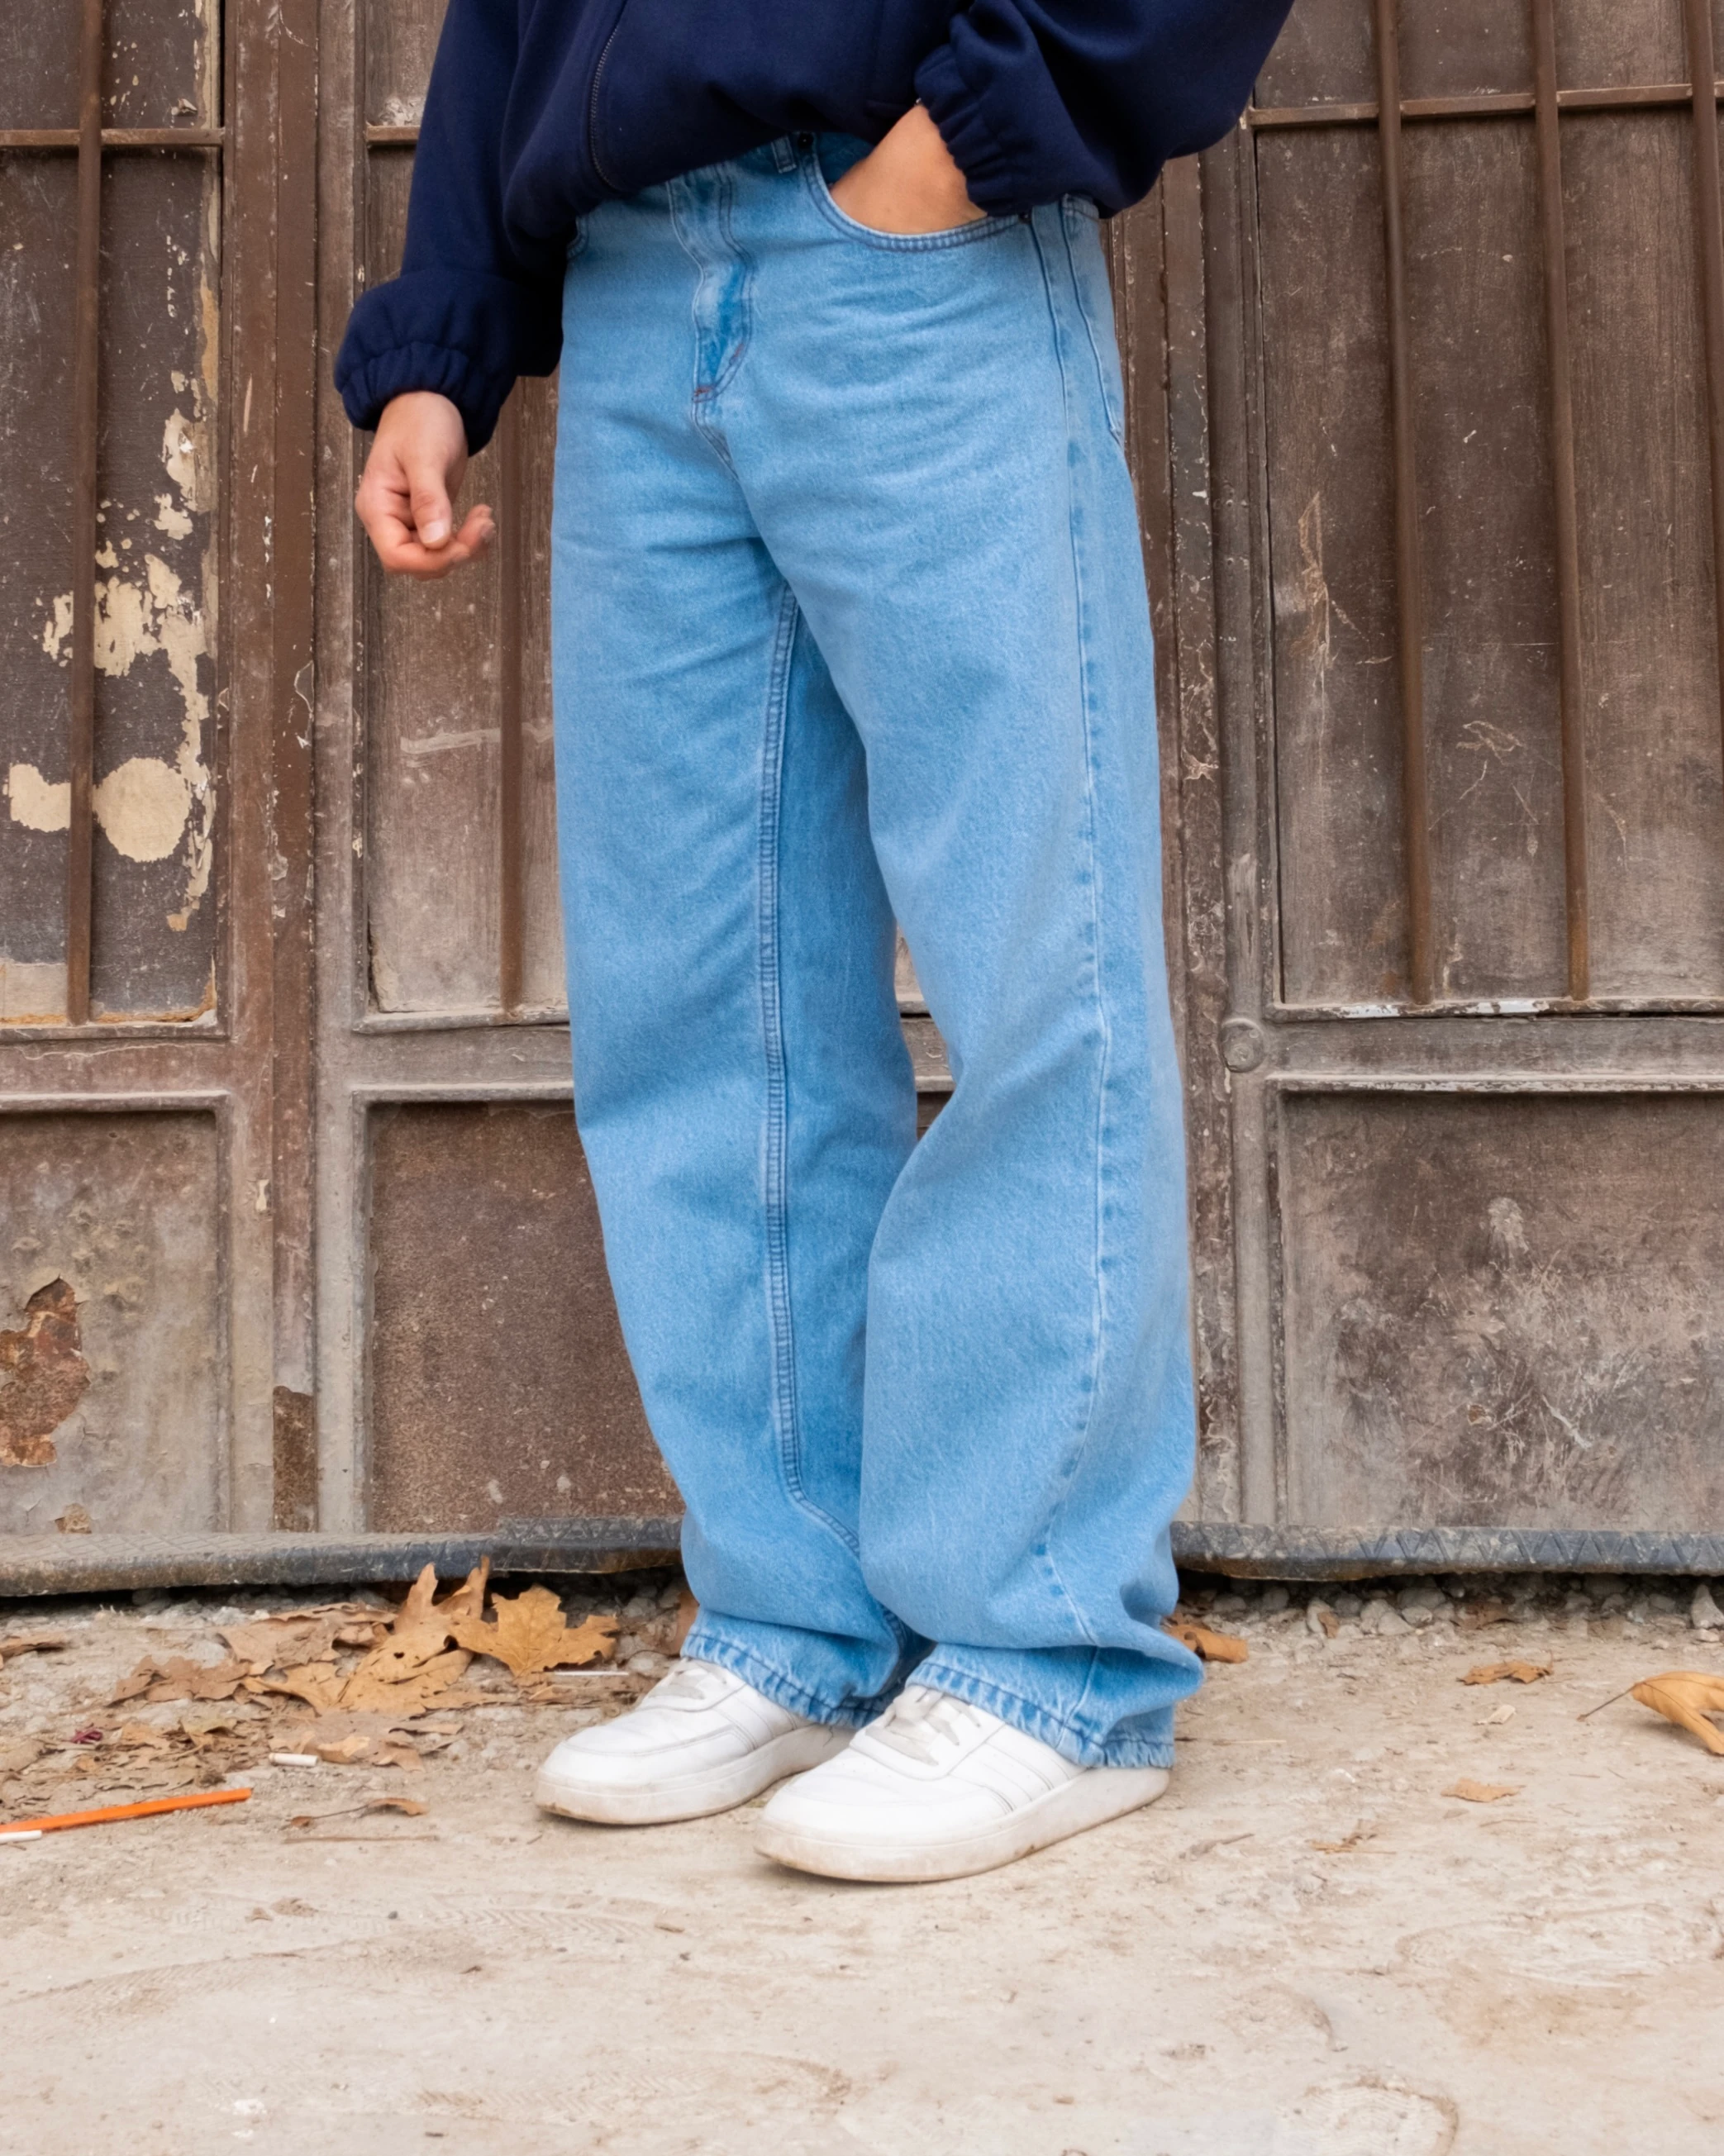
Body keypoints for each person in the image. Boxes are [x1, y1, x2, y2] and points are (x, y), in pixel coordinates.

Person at [338, 0, 1293, 1883]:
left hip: (908, 255)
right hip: (626, 287)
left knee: (1038, 960)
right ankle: (796, 1619)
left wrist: (956, 150)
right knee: (698, 993)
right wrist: (445, 335)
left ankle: (1045, 1652)